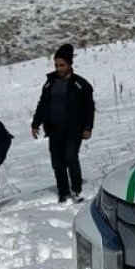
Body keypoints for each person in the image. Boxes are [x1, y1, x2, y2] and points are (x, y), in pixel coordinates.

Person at [31, 43, 95, 203]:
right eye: (56, 65)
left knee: (71, 158)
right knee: (57, 162)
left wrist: (88, 127)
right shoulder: (49, 83)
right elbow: (42, 103)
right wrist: (35, 123)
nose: (59, 68)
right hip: (54, 128)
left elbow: (89, 108)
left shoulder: (80, 84)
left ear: (70, 64)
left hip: (73, 129)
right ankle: (63, 192)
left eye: (62, 65)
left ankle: (77, 190)